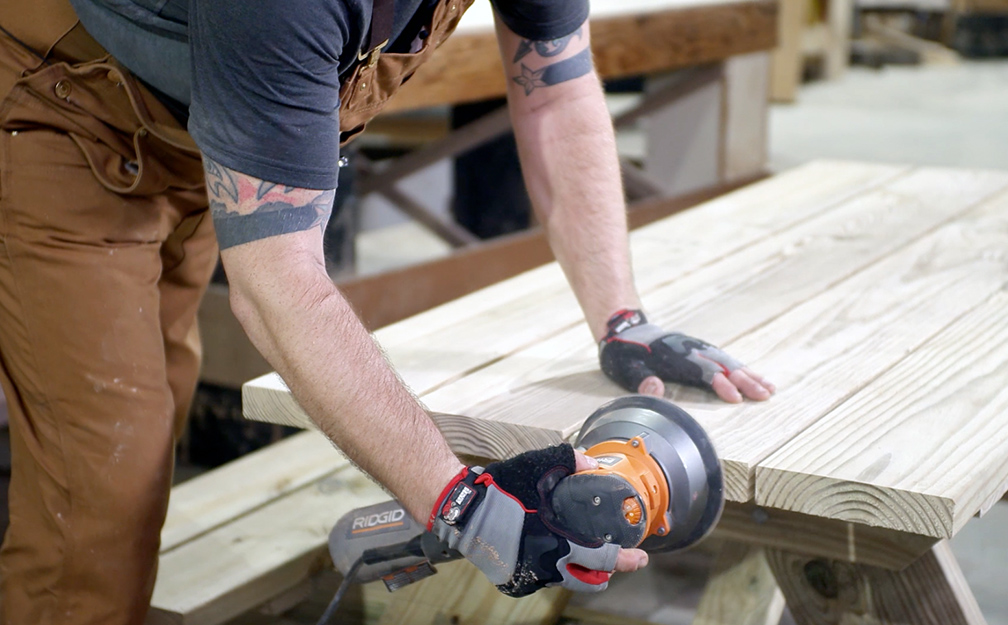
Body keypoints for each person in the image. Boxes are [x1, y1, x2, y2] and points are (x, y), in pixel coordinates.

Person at [0, 0, 775, 622]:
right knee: (103, 488)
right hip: (60, 114)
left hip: (202, 137)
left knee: (156, 411)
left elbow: (556, 91)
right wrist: (458, 502)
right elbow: (274, 287)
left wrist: (621, 320)